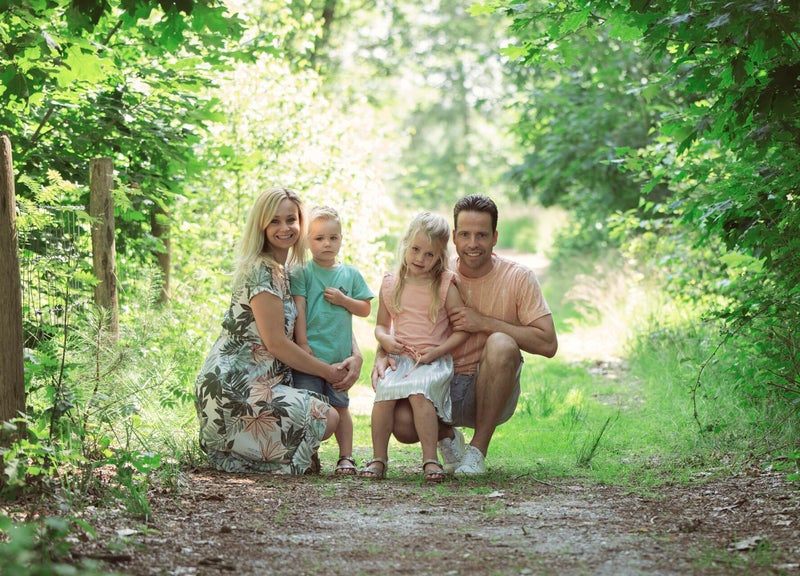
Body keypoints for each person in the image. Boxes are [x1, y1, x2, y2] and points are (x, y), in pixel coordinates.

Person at [371, 194, 557, 475]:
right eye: (466, 235)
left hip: (488, 385)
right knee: (402, 424)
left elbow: (548, 343)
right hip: (437, 380)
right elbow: (401, 319)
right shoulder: (433, 269)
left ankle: (477, 452)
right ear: (454, 238)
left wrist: (483, 322)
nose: (473, 244)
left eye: (481, 235)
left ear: (495, 237)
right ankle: (446, 436)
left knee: (502, 343)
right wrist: (382, 352)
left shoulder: (518, 277)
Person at [194, 187, 362, 475]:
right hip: (236, 385)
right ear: (261, 225)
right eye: (274, 221)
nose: (284, 228)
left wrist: (355, 355)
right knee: (328, 418)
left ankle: (276, 455)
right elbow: (276, 344)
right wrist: (327, 371)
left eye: (291, 219)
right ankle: (249, 453)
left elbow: (326, 316)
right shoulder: (261, 270)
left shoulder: (292, 271)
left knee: (326, 415)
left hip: (267, 382)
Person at [360, 211, 469, 483]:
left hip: (432, 361)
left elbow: (462, 330)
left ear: (440, 255)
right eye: (416, 250)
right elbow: (381, 326)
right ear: (406, 244)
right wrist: (385, 341)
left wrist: (438, 351)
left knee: (420, 394)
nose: (420, 259)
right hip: (401, 359)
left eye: (429, 254)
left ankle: (430, 458)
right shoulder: (391, 283)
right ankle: (379, 458)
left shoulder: (444, 284)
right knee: (384, 393)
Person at [291, 205, 374, 475]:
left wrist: (343, 300)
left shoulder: (350, 274)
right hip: (311, 356)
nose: (327, 244)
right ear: (308, 241)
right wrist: (303, 344)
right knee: (311, 409)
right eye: (319, 238)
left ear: (341, 238)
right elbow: (300, 308)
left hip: (339, 356)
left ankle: (346, 457)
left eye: (333, 238)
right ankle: (310, 456)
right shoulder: (304, 272)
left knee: (340, 406)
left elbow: (364, 308)